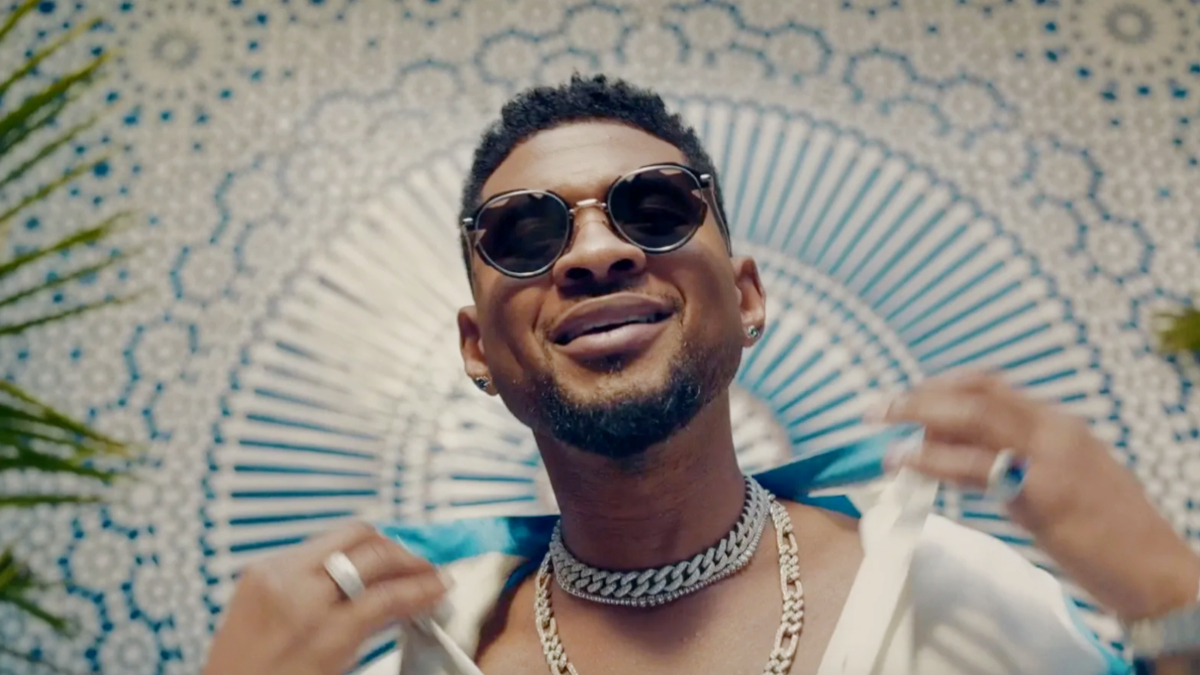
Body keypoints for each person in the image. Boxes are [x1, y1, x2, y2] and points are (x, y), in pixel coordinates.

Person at [200, 76, 1200, 675]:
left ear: (747, 297)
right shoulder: (421, 655)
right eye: (525, 235)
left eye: (655, 210)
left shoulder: (960, 598)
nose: (596, 252)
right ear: (477, 350)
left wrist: (1172, 598)